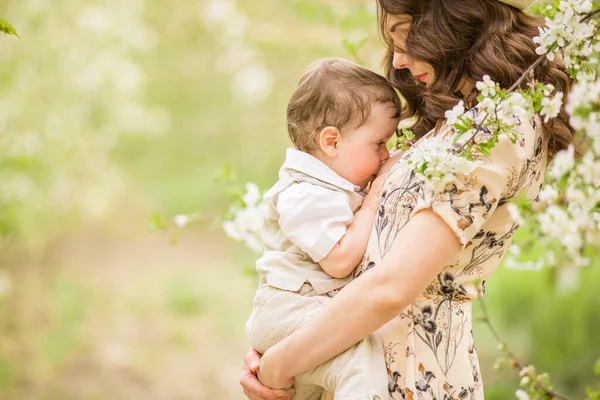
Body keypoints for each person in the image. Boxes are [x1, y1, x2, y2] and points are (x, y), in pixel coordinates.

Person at [240, 0, 576, 399]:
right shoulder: (457, 120)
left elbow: (392, 286)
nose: (398, 60)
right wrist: (291, 336)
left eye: (404, 33)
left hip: (415, 376)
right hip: (349, 361)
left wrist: (279, 365)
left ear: (450, 20)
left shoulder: (498, 127)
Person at [246, 57, 401, 400]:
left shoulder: (329, 187)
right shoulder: (304, 193)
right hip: (290, 310)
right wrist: (376, 197)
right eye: (379, 143)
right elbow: (339, 260)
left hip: (305, 309)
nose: (386, 155)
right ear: (331, 142)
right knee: (359, 359)